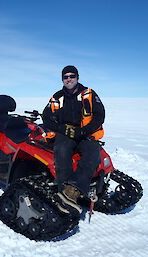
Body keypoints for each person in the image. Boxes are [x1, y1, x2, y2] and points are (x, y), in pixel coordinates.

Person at [42, 65, 105, 215]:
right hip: (66, 132)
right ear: (62, 79)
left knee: (92, 154)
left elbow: (99, 115)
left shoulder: (88, 93)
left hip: (85, 132)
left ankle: (72, 192)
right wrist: (62, 129)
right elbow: (46, 117)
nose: (69, 79)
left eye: (72, 76)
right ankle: (63, 190)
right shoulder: (57, 97)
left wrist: (84, 131)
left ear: (77, 77)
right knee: (61, 151)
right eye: (66, 77)